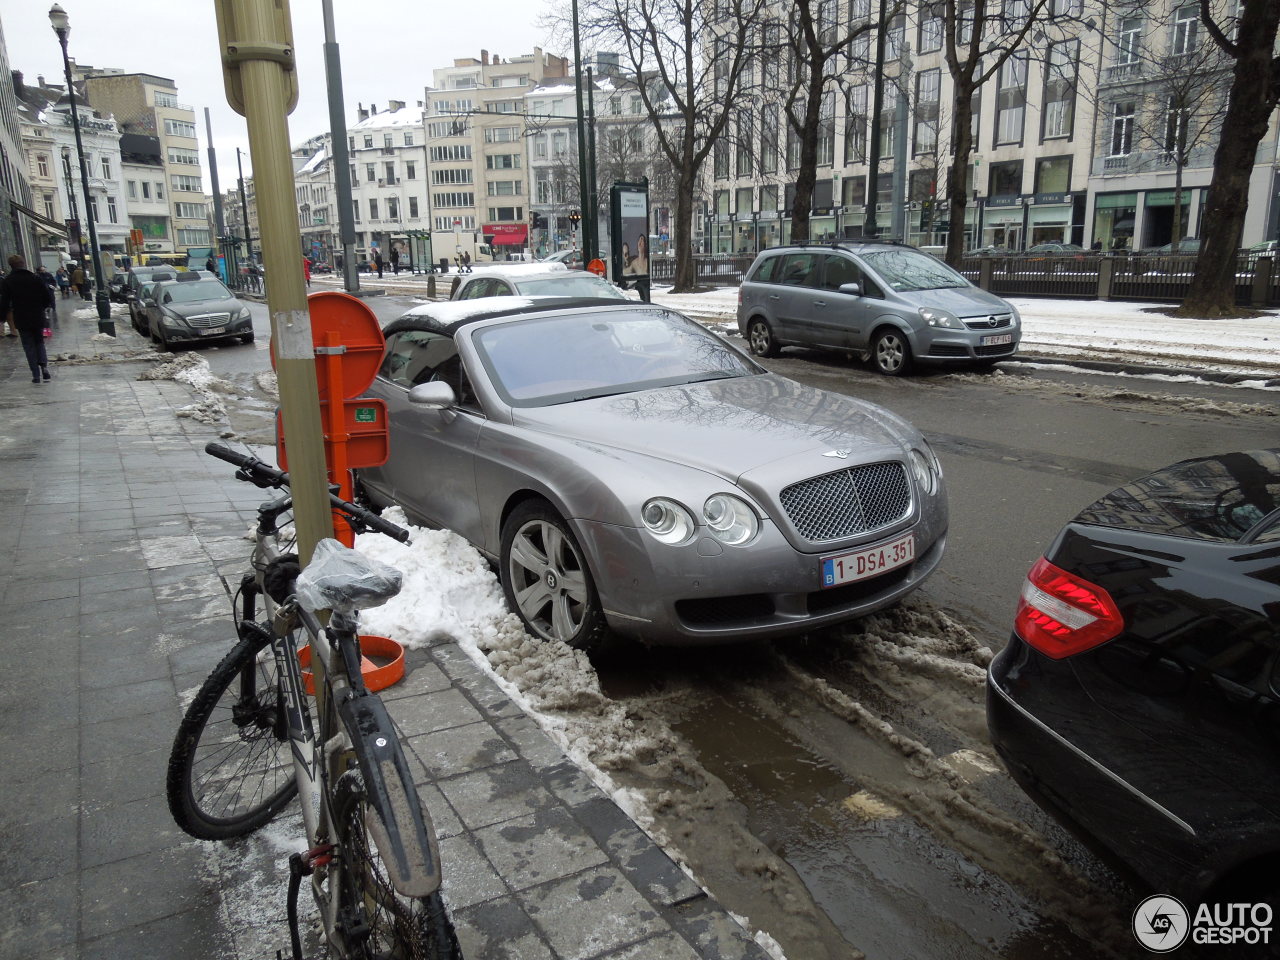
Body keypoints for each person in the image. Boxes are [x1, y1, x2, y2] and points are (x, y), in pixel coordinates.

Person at [0, 255, 55, 383]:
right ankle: (44, 367)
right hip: (37, 315)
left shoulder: (8, 281)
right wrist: (43, 307)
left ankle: (35, 374)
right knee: (39, 342)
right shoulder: (35, 278)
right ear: (23, 263)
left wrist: (2, 317)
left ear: (10, 265)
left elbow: (5, 301)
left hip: (21, 316)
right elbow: (46, 297)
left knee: (28, 345)